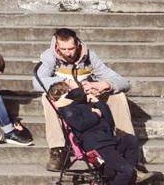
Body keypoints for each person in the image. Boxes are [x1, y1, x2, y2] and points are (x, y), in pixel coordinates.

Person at [35, 27, 135, 172]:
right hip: (67, 100)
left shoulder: (89, 56)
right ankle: (58, 149)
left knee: (118, 95)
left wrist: (105, 84)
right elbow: (37, 82)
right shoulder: (50, 57)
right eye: (63, 49)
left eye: (71, 48)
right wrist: (66, 83)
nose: (68, 53)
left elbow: (123, 82)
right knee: (46, 97)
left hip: (88, 97)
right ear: (57, 46)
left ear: (78, 45)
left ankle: (125, 144)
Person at [46, 82, 154, 185]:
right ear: (66, 92)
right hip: (97, 145)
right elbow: (80, 125)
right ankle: (126, 176)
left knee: (130, 140)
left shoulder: (82, 103)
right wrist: (95, 115)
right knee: (126, 171)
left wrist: (97, 102)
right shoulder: (66, 108)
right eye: (72, 89)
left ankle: (128, 176)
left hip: (108, 140)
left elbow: (109, 119)